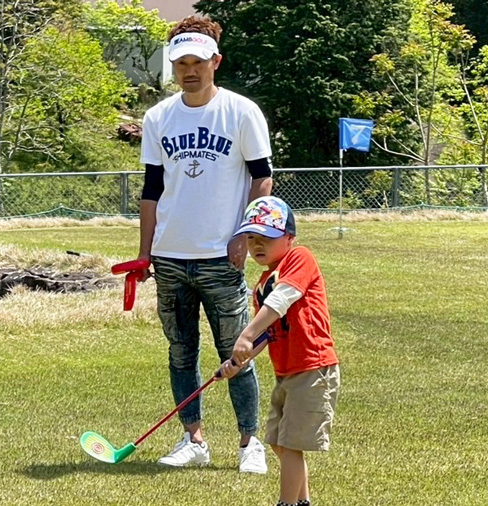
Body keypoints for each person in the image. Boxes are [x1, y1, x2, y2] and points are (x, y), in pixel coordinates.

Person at [134, 15, 274, 473]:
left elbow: (262, 176)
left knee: (237, 351)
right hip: (170, 257)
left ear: (216, 61)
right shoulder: (158, 117)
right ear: (172, 67)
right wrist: (145, 250)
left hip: (221, 256)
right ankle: (193, 439)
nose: (189, 70)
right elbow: (152, 188)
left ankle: (249, 443)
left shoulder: (241, 111)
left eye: (197, 61)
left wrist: (244, 234)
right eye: (181, 63)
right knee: (180, 353)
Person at [220, 196, 341, 506]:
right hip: (287, 371)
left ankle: (287, 504)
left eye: (267, 238)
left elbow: (283, 300)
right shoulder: (262, 284)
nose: (258, 245)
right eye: (251, 239)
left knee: (290, 445)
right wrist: (239, 359)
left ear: (289, 238)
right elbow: (270, 332)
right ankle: (302, 502)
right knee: (278, 441)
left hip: (312, 367)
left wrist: (246, 333)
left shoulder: (300, 258)